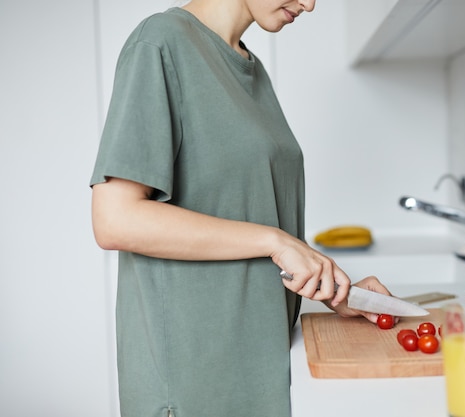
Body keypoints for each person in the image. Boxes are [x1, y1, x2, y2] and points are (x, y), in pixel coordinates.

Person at [90, 1, 393, 416]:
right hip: (197, 382)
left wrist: (334, 288)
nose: (309, 3)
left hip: (260, 364)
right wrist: (276, 241)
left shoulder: (249, 66)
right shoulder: (160, 43)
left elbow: (248, 207)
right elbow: (116, 220)